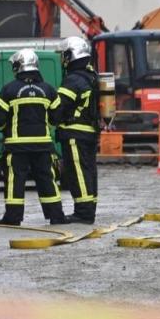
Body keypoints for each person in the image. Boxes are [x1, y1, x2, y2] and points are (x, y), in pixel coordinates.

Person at [0, 49, 68, 226]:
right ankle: (56, 216)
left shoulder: (9, 90)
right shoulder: (48, 89)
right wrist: (46, 126)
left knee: (15, 181)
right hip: (43, 145)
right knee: (47, 179)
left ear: (18, 66)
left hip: (17, 146)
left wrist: (6, 130)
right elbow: (57, 116)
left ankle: (13, 217)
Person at [48, 37, 100, 224]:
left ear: (71, 55)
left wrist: (50, 114)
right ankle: (88, 208)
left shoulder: (73, 80)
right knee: (89, 171)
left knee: (78, 172)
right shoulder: (93, 76)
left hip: (74, 135)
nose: (63, 59)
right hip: (89, 133)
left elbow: (59, 108)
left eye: (64, 55)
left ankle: (83, 213)